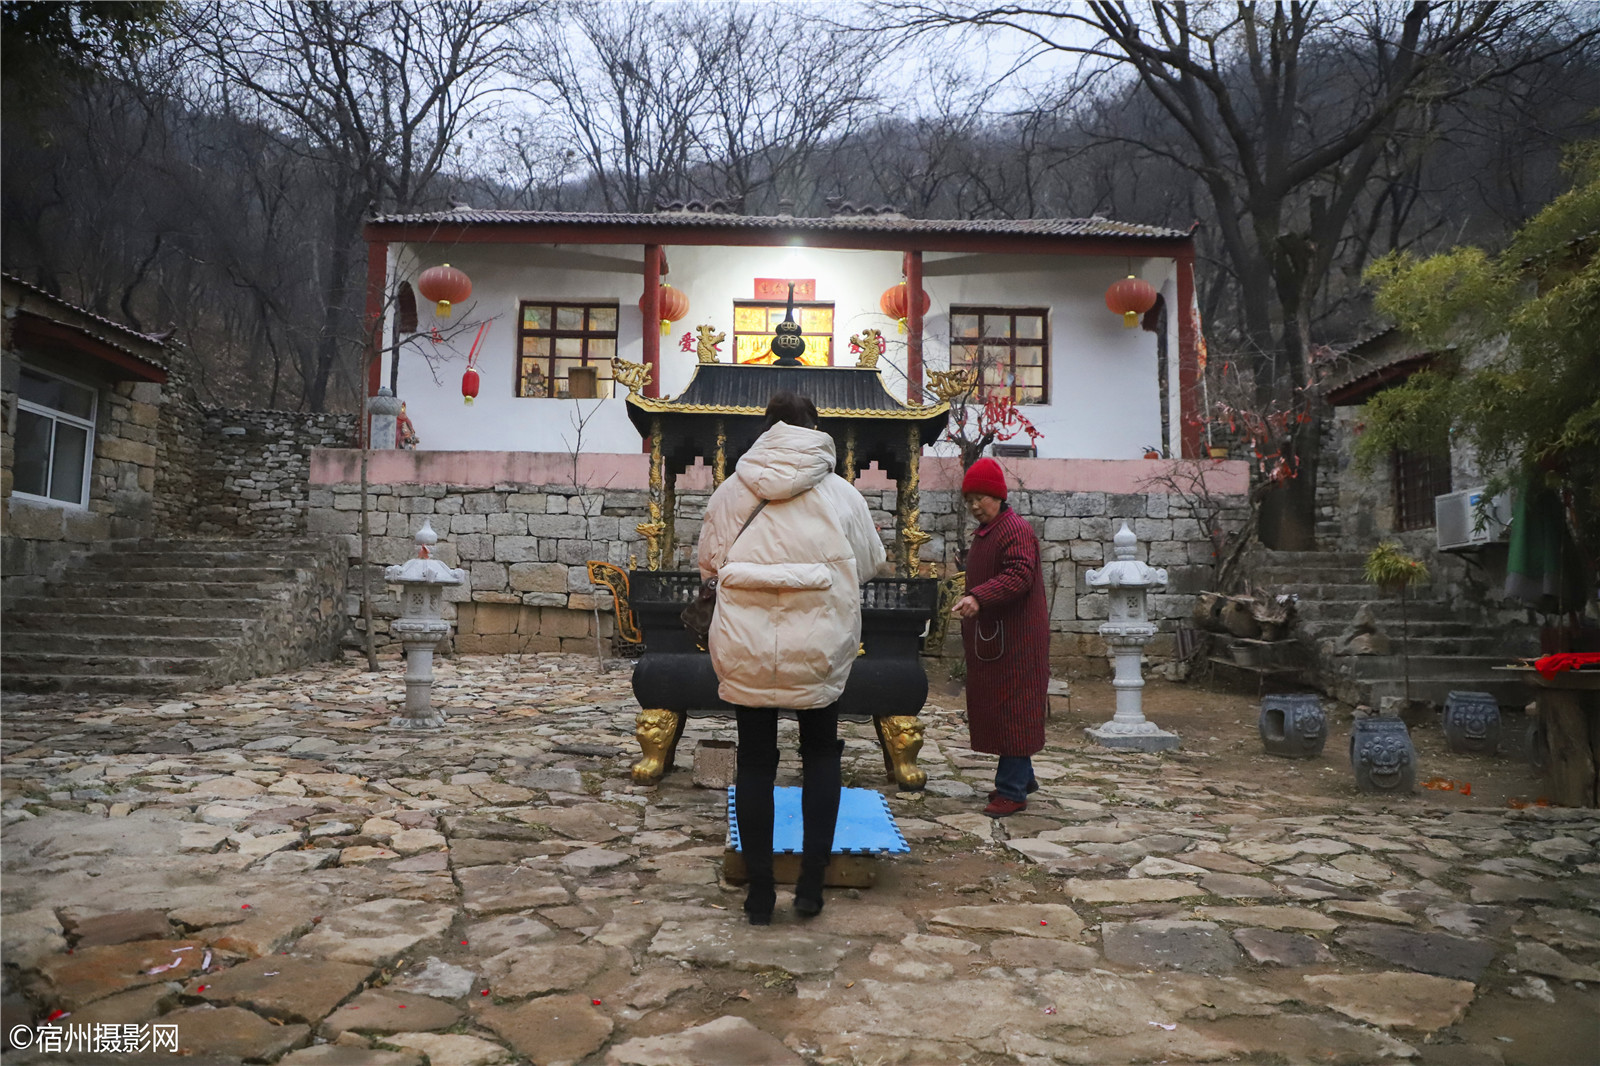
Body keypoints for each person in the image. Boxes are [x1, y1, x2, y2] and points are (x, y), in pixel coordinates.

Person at [698, 390, 886, 924]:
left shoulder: (731, 492)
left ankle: (759, 893)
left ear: (766, 429)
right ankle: (809, 887)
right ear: (815, 428)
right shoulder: (841, 495)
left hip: (745, 644)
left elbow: (710, 564)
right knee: (821, 754)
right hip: (819, 644)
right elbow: (871, 563)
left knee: (756, 760)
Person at [950, 457, 1049, 816]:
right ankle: (1024, 777)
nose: (975, 506)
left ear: (999, 495)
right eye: (970, 500)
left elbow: (1019, 576)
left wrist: (979, 596)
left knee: (1014, 712)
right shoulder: (988, 532)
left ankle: (1012, 791)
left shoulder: (1015, 529)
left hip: (1019, 642)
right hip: (998, 641)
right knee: (1005, 710)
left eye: (981, 498)